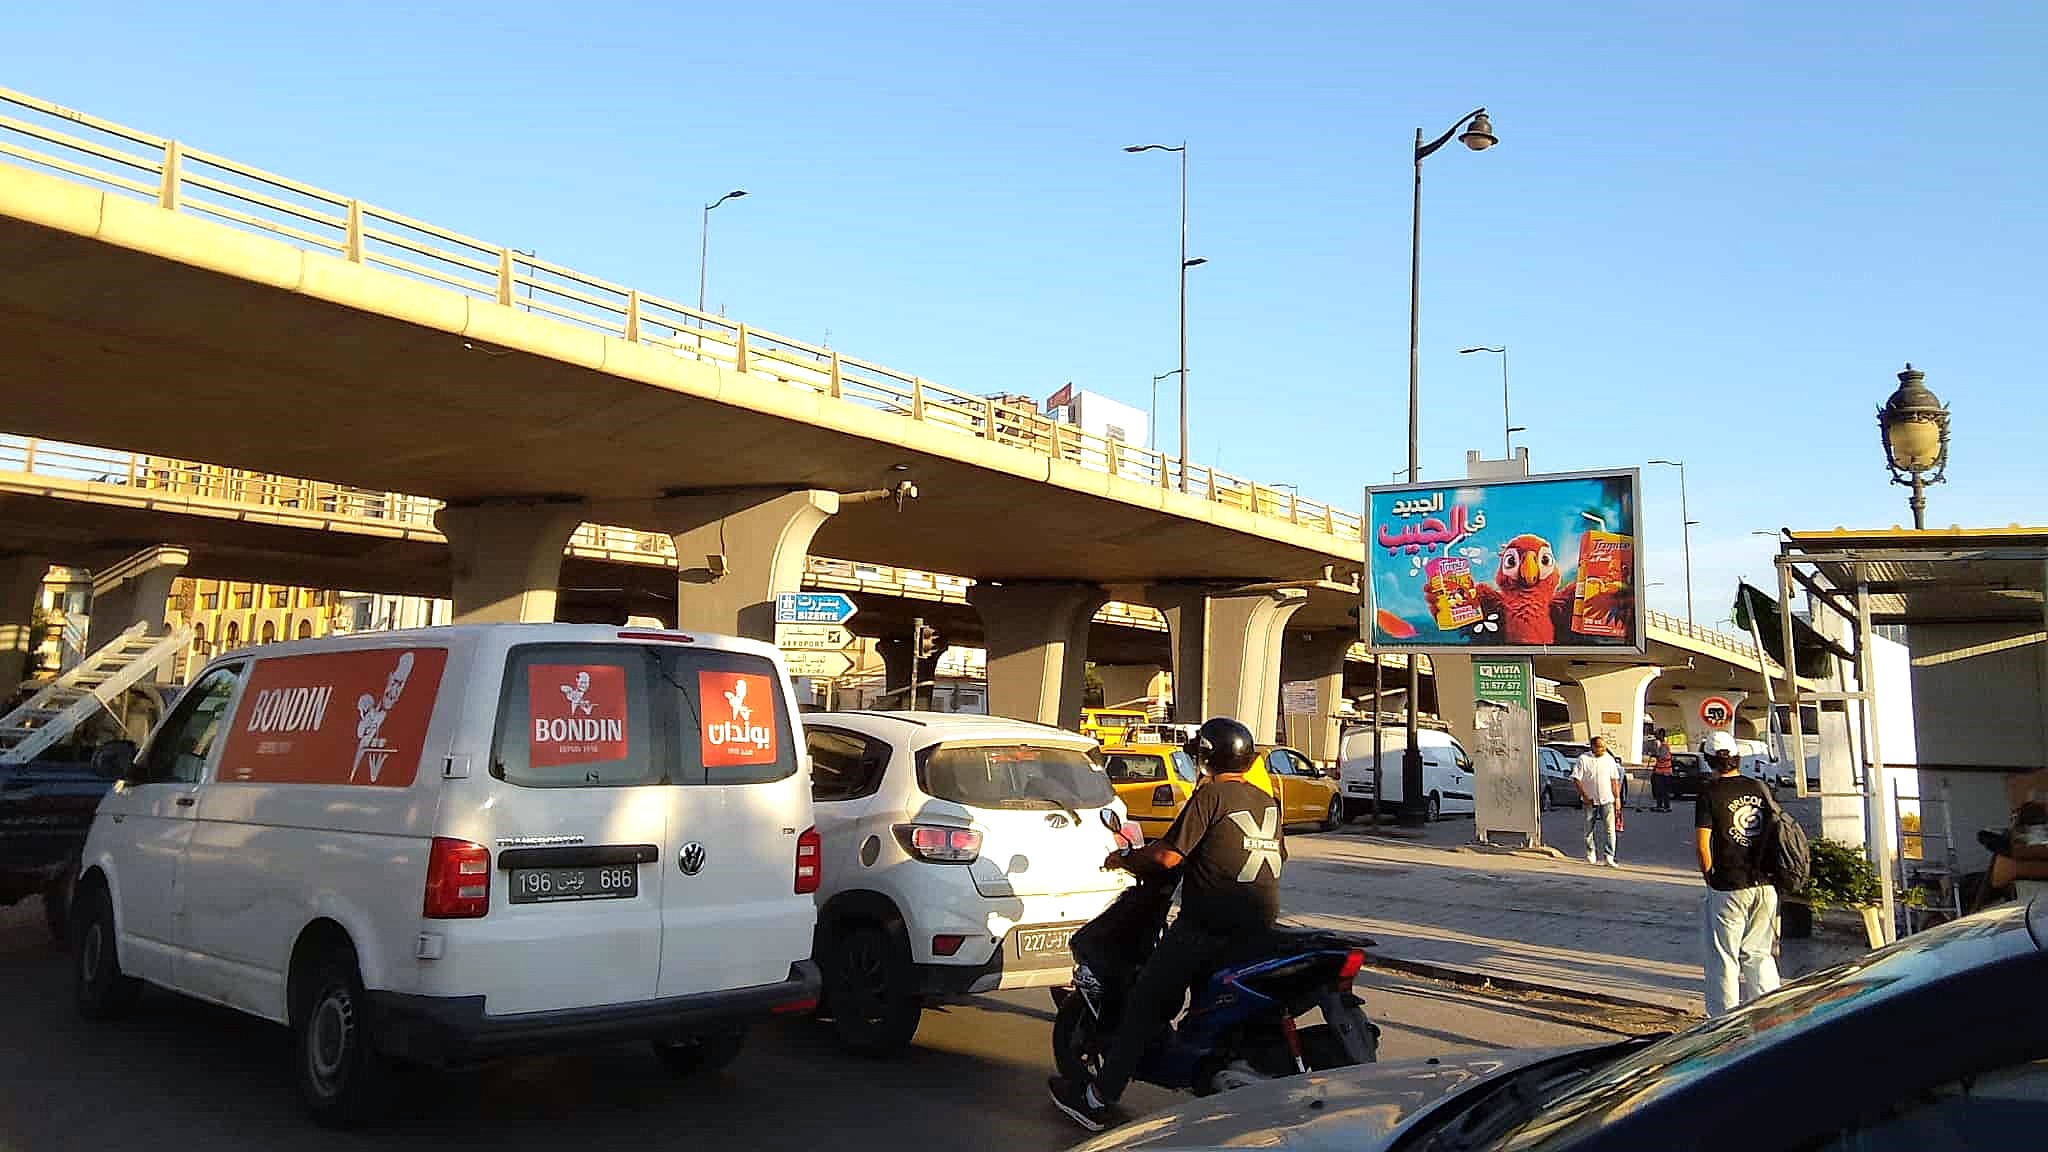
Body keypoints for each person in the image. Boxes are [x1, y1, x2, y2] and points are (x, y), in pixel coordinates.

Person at [1049, 715, 1286, 1132]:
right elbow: (1274, 855)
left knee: (1144, 1003)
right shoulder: (1267, 802)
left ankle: (1096, 1099)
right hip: (1259, 927)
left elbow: (1167, 855)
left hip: (1206, 928)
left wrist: (1124, 858)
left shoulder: (1211, 796)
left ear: (1206, 757)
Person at [1695, 729, 1782, 1016]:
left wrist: (1710, 877)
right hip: (1765, 883)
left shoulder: (1709, 793)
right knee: (1759, 954)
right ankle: (1770, 1014)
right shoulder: (1759, 787)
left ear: (1709, 759)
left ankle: (1723, 1020)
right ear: (1737, 757)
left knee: (1724, 957)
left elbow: (1703, 845)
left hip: (1729, 884)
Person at [1574, 735, 1623, 867]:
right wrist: (1584, 796)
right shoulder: (1583, 759)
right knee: (1588, 828)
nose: (1603, 749)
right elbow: (1576, 779)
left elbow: (1614, 780)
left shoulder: (1609, 760)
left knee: (1610, 829)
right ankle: (1590, 852)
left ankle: (1609, 856)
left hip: (1607, 800)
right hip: (1589, 800)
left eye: (1604, 746)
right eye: (1600, 747)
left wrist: (1617, 798)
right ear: (1593, 747)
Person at [1647, 727, 1675, 812]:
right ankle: (1660, 806)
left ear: (1661, 735)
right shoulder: (1661, 745)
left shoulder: (1664, 746)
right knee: (1659, 790)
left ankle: (1666, 807)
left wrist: (1654, 754)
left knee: (1663, 791)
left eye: (1657, 734)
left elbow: (1662, 757)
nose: (1656, 736)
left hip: (1664, 773)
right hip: (1660, 771)